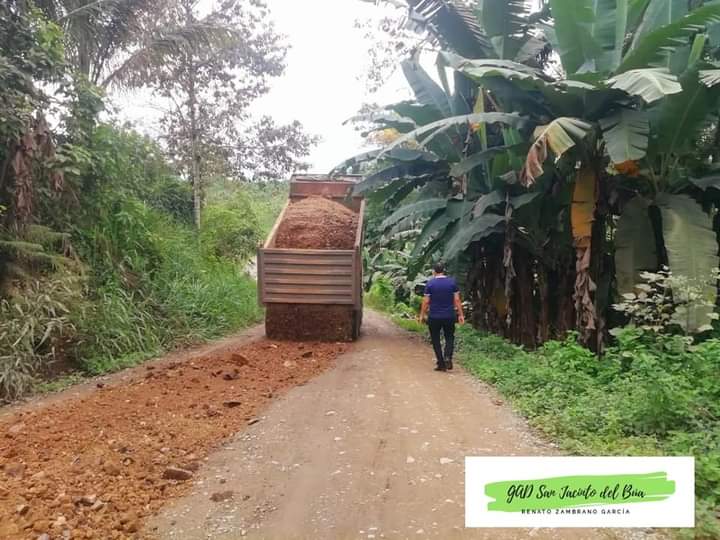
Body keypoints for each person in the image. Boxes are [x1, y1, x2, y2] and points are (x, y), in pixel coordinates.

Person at [418, 261, 465, 372]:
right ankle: (447, 356)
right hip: (449, 315)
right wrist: (461, 314)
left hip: (434, 316)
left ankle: (441, 363)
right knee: (449, 337)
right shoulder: (452, 283)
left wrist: (422, 315)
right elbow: (457, 300)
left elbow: (426, 301)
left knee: (435, 339)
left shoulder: (430, 284)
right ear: (444, 270)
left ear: (434, 271)